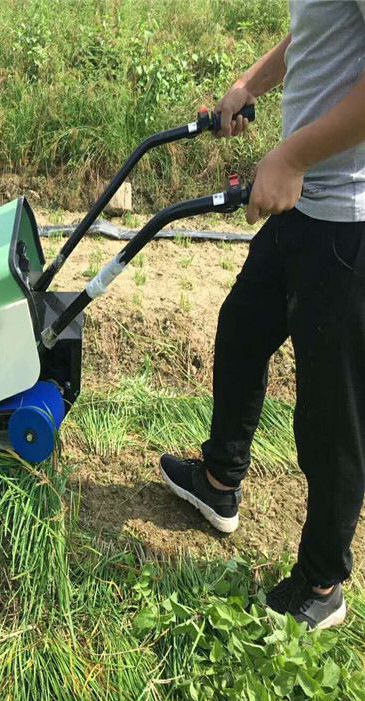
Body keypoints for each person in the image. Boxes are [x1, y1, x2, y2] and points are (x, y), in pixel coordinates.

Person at [160, 0, 365, 630]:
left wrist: (292, 157)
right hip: (303, 207)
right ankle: (220, 481)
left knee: (331, 414)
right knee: (242, 330)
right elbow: (315, 29)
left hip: (345, 225)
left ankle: (322, 581)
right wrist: (249, 85)